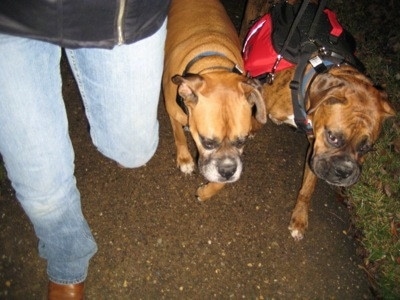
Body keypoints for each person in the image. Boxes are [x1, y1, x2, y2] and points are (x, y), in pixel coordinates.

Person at [0, 1, 170, 299]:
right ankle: (67, 258)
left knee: (132, 149)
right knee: (40, 183)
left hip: (117, 14)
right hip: (10, 17)